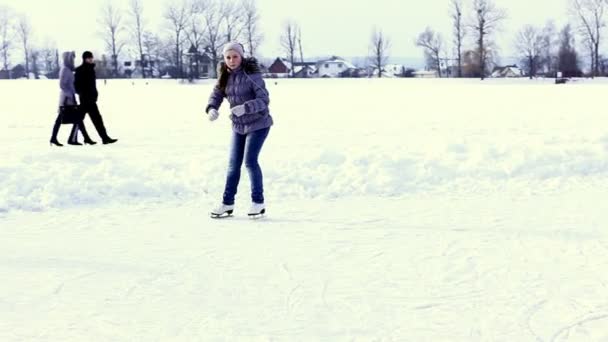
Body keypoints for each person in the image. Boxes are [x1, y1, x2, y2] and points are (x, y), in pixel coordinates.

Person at [206, 42, 273, 218]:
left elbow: (264, 99)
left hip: (259, 123)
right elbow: (217, 94)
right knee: (233, 165)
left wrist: (246, 107)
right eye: (228, 57)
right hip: (238, 125)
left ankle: (258, 203)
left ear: (241, 56)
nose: (232, 60)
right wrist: (212, 108)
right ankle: (227, 203)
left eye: (235, 56)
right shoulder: (224, 75)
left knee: (250, 162)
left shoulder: (252, 74)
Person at [50, 51, 95, 146]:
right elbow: (62, 85)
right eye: (72, 58)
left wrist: (76, 92)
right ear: (68, 59)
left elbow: (70, 84)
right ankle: (84, 138)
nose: (73, 60)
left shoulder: (68, 69)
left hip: (69, 98)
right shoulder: (65, 69)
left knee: (65, 119)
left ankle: (54, 138)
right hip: (66, 99)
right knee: (77, 118)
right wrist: (70, 95)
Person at [74, 51, 118, 145]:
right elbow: (76, 86)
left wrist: (94, 94)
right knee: (80, 120)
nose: (90, 59)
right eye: (88, 58)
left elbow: (92, 85)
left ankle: (104, 138)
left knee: (96, 120)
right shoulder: (80, 70)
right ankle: (74, 138)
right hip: (85, 100)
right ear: (84, 59)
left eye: (91, 57)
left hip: (92, 100)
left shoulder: (91, 69)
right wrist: (83, 94)